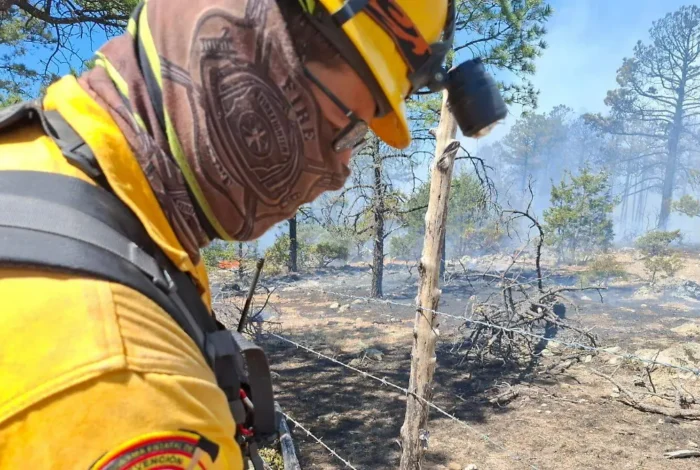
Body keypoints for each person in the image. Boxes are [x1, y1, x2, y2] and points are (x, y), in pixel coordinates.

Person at [0, 0, 503, 468]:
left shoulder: (56, 171)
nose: (342, 170)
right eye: (348, 128)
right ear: (248, 41)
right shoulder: (131, 394)